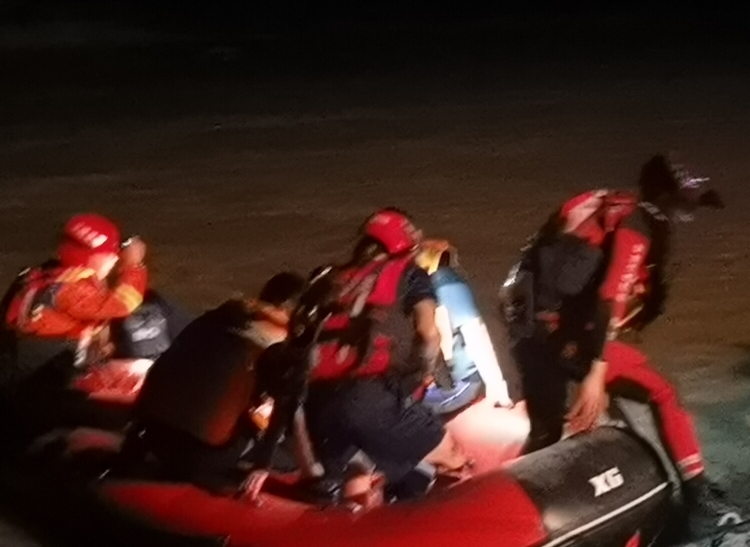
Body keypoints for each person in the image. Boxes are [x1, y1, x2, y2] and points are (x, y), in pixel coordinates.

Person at [502, 153, 720, 471]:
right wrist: (596, 372)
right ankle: (697, 488)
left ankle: (514, 485)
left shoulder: (606, 208)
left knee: (546, 430)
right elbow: (610, 297)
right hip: (564, 334)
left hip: (524, 325)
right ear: (666, 197)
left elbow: (538, 263)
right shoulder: (638, 228)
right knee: (663, 394)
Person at [301, 209, 470, 502]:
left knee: (357, 481)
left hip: (318, 405)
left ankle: (362, 521)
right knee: (453, 457)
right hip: (370, 398)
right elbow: (429, 334)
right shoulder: (410, 274)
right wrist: (421, 375)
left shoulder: (330, 277)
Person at [117, 271, 318, 494]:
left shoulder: (216, 316)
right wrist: (263, 465)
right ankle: (310, 481)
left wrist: (133, 435)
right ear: (300, 311)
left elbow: (160, 368)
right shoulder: (281, 344)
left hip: (151, 436)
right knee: (286, 456)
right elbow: (286, 409)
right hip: (200, 458)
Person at [0, 212, 152, 430]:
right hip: (46, 394)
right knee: (135, 402)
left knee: (139, 373)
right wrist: (134, 265)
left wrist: (100, 344)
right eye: (108, 254)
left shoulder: (51, 275)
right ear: (87, 258)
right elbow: (124, 303)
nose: (115, 259)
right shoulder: (69, 290)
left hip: (44, 377)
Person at [412, 238, 514, 417]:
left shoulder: (446, 286)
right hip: (445, 377)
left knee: (406, 409)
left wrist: (497, 387)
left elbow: (476, 335)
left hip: (459, 383)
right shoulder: (438, 285)